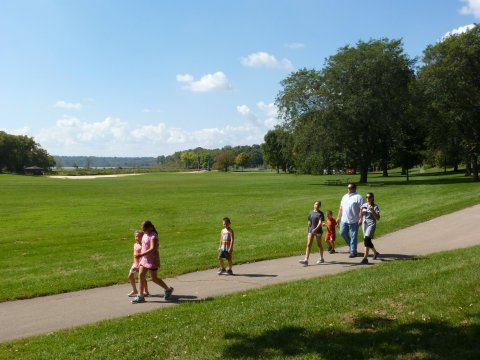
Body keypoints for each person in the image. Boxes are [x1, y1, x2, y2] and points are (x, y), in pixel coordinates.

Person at [131, 220, 174, 303]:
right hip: (144, 259)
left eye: (145, 230)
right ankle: (140, 296)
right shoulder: (145, 234)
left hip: (152, 260)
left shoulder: (153, 236)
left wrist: (141, 254)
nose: (144, 231)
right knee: (141, 275)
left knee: (154, 278)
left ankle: (167, 289)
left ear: (150, 228)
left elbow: (152, 248)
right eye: (143, 230)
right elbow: (143, 244)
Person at [336, 183, 365, 258]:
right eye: (348, 187)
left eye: (350, 187)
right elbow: (341, 208)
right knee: (342, 233)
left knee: (353, 236)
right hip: (344, 220)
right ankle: (351, 247)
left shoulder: (358, 197)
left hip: (354, 220)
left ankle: (353, 251)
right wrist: (338, 218)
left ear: (354, 188)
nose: (349, 189)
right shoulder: (344, 196)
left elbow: (362, 208)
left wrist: (361, 218)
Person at [299, 200, 325, 266]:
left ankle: (321, 258)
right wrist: (309, 223)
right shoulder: (311, 212)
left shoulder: (320, 213)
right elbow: (309, 219)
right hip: (310, 230)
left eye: (318, 205)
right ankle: (306, 260)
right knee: (308, 244)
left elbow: (320, 223)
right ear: (313, 205)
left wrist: (315, 229)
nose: (317, 206)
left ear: (320, 206)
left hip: (318, 231)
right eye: (316, 204)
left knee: (319, 244)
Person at [359, 192, 381, 264]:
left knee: (366, 239)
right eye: (366, 197)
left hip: (371, 224)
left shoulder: (375, 206)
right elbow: (361, 214)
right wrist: (360, 217)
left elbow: (378, 218)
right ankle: (375, 252)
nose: (368, 198)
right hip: (364, 225)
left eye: (369, 197)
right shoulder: (364, 205)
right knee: (367, 240)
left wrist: (372, 211)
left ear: (372, 198)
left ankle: (365, 257)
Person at [127, 230, 150, 297]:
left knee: (142, 277)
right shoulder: (135, 244)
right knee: (130, 276)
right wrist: (134, 263)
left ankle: (146, 291)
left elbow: (144, 256)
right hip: (135, 263)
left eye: (139, 236)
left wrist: (139, 266)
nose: (137, 238)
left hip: (141, 264)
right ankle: (135, 290)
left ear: (143, 237)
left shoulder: (143, 246)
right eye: (136, 236)